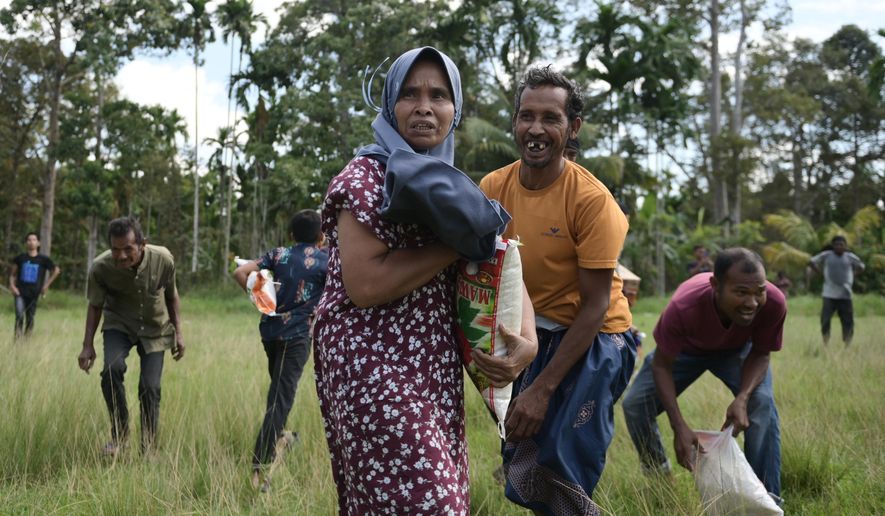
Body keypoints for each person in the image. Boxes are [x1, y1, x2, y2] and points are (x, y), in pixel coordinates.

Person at [312, 47, 537, 514]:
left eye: (439, 95)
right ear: (390, 103)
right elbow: (366, 285)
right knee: (428, 499)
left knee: (438, 495)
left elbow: (497, 255)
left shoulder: (450, 184)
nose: (424, 106)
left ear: (455, 110)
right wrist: (454, 243)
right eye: (410, 94)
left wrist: (528, 340)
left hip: (431, 366)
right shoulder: (364, 178)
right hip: (368, 363)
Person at [479, 65, 636, 514]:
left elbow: (595, 306)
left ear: (573, 128)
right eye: (526, 116)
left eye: (551, 118)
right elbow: (484, 274)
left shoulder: (592, 201)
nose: (536, 129)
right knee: (524, 459)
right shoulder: (493, 188)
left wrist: (543, 389)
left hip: (596, 338)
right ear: (514, 122)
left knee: (565, 464)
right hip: (531, 335)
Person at [622, 248, 785, 503]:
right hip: (686, 351)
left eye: (758, 291)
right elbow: (662, 365)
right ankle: (661, 481)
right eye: (741, 292)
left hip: (739, 351)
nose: (752, 302)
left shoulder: (773, 302)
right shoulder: (684, 305)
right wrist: (679, 427)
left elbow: (762, 353)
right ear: (715, 286)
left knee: (760, 404)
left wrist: (742, 397)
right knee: (635, 405)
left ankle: (767, 498)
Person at [233, 209, 328, 491]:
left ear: (290, 236)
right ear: (321, 236)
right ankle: (259, 469)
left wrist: (260, 297)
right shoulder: (327, 260)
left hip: (271, 333)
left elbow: (241, 271)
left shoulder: (278, 254)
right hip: (297, 337)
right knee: (280, 400)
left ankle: (282, 437)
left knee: (278, 391)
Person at [77, 217, 184, 455]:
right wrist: (87, 346)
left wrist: (179, 333)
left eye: (128, 249)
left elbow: (172, 296)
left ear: (142, 244)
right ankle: (120, 435)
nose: (121, 255)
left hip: (155, 328)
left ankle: (149, 448)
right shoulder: (101, 267)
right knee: (111, 370)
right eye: (115, 249)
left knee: (150, 386)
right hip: (119, 324)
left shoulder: (163, 259)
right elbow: (95, 305)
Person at [809, 235, 864, 346]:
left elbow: (861, 266)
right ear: (833, 246)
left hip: (845, 294)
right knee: (825, 320)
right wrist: (820, 273)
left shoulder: (850, 257)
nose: (839, 247)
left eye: (841, 244)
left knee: (847, 321)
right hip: (829, 294)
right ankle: (826, 341)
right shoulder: (827, 255)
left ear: (845, 246)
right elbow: (811, 262)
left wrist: (853, 275)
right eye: (837, 244)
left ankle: (847, 343)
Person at [9, 232, 61, 339]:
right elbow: (12, 275)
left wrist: (46, 285)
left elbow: (56, 270)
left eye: (34, 240)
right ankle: (17, 340)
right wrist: (12, 286)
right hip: (20, 292)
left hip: (34, 293)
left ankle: (27, 340)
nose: (31, 242)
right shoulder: (20, 258)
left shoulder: (43, 259)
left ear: (38, 243)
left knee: (30, 317)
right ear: (26, 243)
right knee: (19, 315)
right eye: (29, 240)